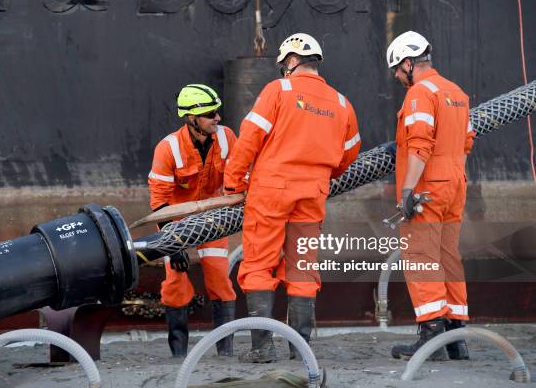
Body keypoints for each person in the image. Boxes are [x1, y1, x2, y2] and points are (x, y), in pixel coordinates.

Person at [224, 33, 361, 363]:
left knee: (258, 264)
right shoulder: (342, 103)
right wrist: (323, 174)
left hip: (271, 191)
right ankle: (300, 349)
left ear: (289, 61)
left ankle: (262, 348)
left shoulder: (278, 90)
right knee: (302, 268)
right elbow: (349, 152)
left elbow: (249, 140)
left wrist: (232, 184)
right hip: (312, 194)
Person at [386, 31, 475, 360]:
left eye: (397, 68)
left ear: (409, 63)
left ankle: (431, 334)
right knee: (448, 255)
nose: (396, 75)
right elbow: (466, 143)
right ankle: (456, 338)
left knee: (421, 255)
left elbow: (420, 145)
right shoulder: (457, 93)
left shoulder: (419, 93)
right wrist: (455, 177)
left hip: (428, 184)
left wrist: (409, 190)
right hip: (455, 183)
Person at [148, 84, 237, 357]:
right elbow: (159, 202)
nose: (218, 118)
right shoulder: (168, 148)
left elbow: (239, 179)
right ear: (191, 118)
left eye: (217, 112)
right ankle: (179, 356)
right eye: (211, 114)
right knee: (175, 283)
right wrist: (173, 245)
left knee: (221, 280)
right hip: (176, 221)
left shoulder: (227, 138)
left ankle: (226, 353)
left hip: (213, 219)